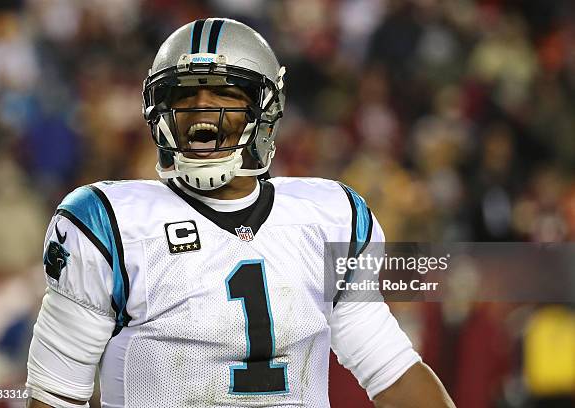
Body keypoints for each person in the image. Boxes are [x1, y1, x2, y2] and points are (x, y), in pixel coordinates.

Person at [26, 18, 454, 408]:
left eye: (225, 93)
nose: (201, 108)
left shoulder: (328, 217)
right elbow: (55, 396)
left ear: (264, 109)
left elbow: (394, 374)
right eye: (184, 93)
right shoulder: (107, 223)